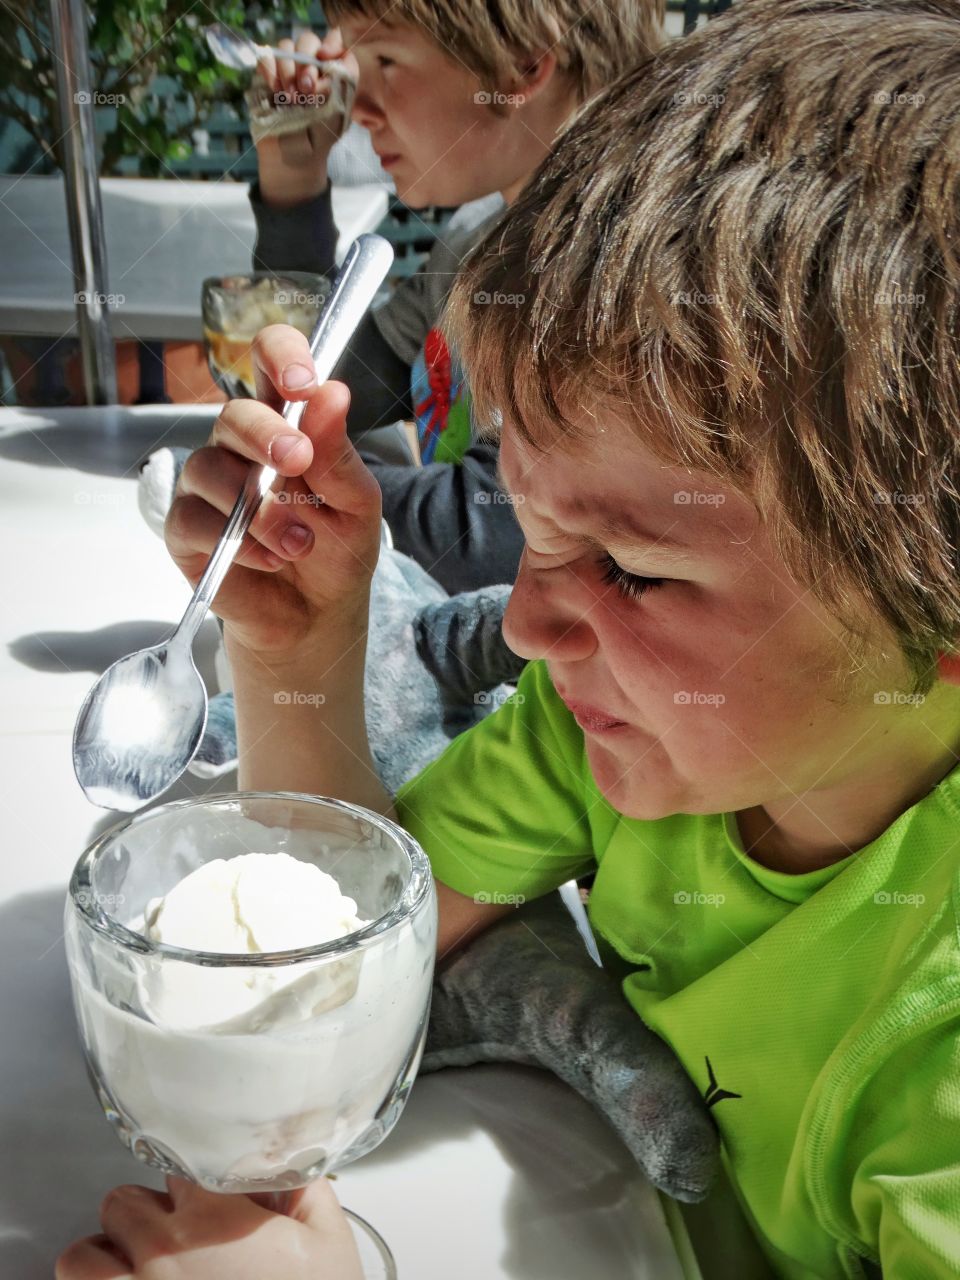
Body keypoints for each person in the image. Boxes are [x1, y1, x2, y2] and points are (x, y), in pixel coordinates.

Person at [57, 0, 960, 1276]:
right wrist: (298, 653)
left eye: (633, 571)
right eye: (528, 531)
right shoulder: (612, 745)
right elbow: (364, 940)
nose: (530, 626)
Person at [246, 0, 665, 592]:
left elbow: (488, 532)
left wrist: (266, 487)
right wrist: (294, 182)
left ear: (522, 65)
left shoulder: (620, 266)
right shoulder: (479, 235)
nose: (359, 109)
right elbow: (335, 386)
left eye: (386, 60)